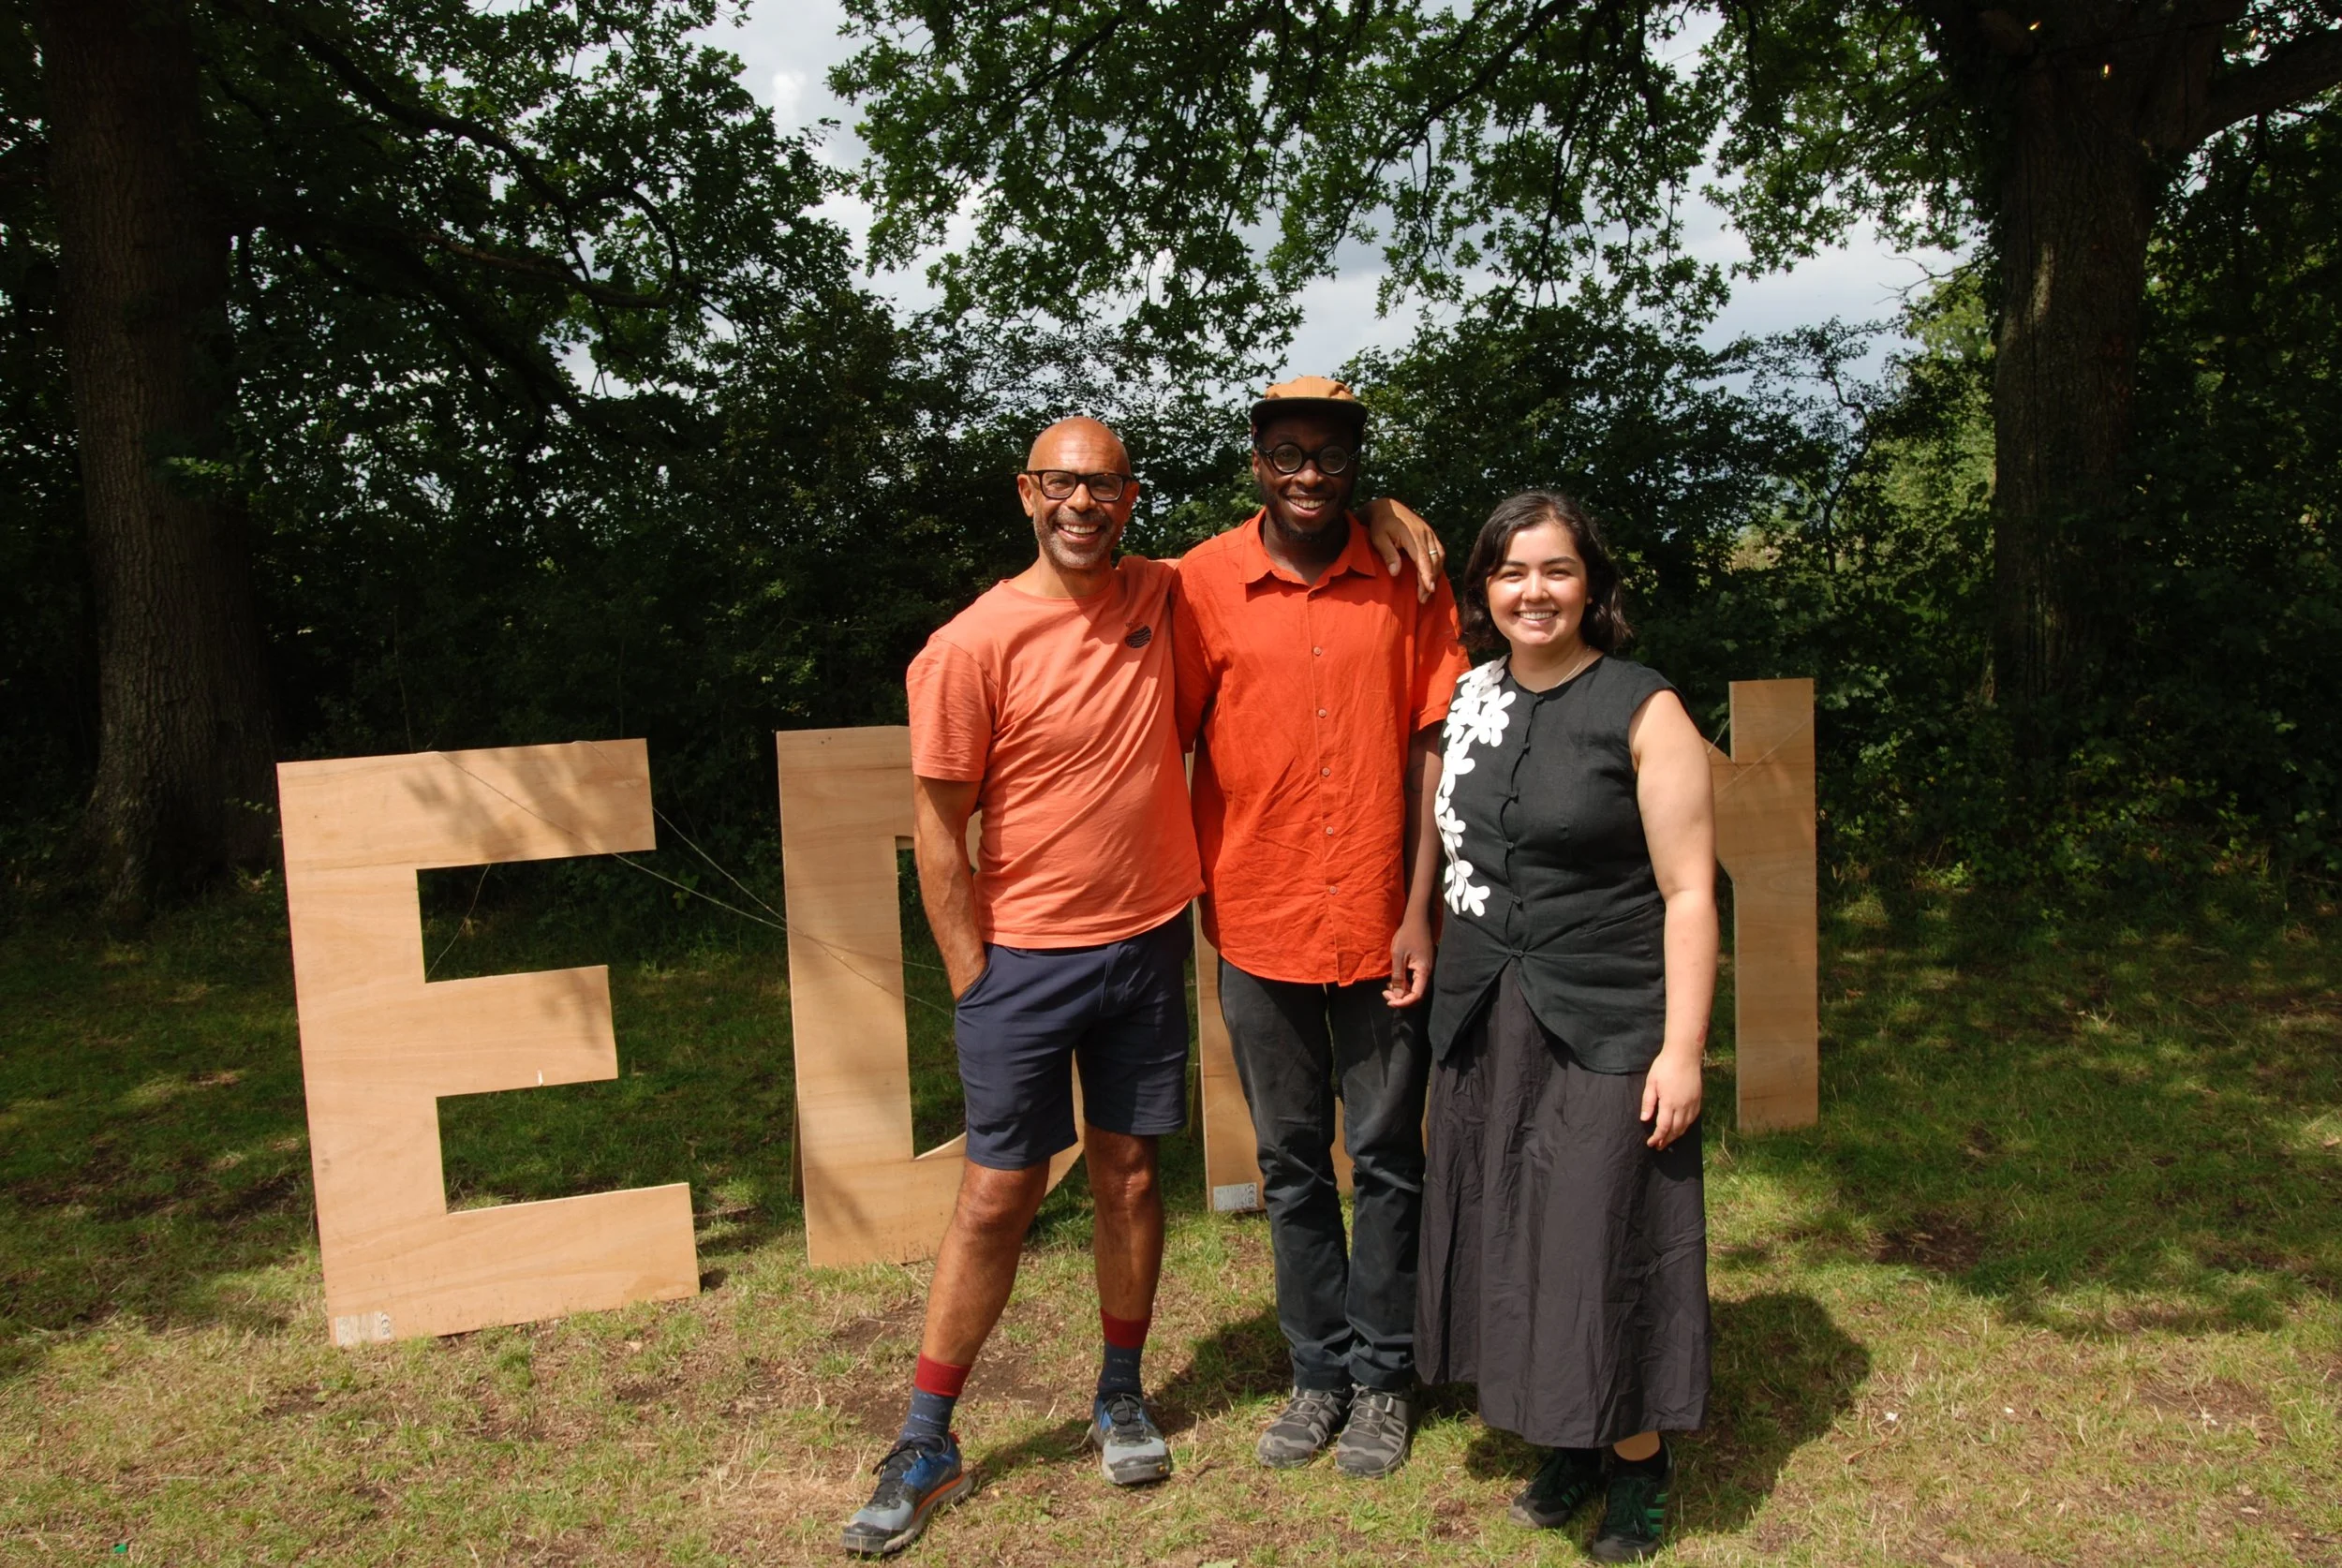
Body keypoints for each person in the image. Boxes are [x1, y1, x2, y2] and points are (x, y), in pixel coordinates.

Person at [842, 415, 1440, 1559]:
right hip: (1022, 958)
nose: (1082, 504)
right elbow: (936, 830)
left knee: (1127, 1179)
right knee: (994, 1198)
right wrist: (975, 977)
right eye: (1061, 484)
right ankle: (927, 1436)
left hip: (1148, 945)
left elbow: (1301, 544)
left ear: (1131, 498)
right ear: (1025, 493)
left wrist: (1392, 518)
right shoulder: (969, 645)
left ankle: (1121, 1395)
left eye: (1104, 486)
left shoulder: (1167, 590)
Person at [1173, 377, 1470, 1480]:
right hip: (1257, 918)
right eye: (1287, 454)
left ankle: (1387, 1379)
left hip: (1383, 922)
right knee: (1291, 1161)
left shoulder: (1404, 575)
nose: (1308, 475)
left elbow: (1434, 746)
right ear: (1255, 460)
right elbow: (1157, 720)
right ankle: (1318, 1373)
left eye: (1331, 457)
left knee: (1389, 1156)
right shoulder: (1199, 583)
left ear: (1358, 466)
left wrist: (1416, 908)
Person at [1416, 491, 1717, 1562]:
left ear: (1592, 584)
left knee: (1597, 1227)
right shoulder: (1470, 696)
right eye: (1509, 572)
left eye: (1554, 571)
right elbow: (1445, 840)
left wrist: (1680, 1048)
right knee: (1516, 1221)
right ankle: (1566, 1435)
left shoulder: (1645, 709)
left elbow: (1688, 892)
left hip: (1606, 1012)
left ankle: (1637, 1461)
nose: (1531, 592)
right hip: (1490, 1009)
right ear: (1484, 591)